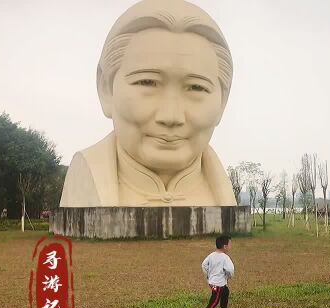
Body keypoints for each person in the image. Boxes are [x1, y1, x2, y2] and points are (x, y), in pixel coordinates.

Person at [59, 0, 236, 207]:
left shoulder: (221, 193)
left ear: (223, 101)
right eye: (147, 83)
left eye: (196, 87)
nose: (171, 116)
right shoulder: (86, 177)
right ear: (106, 88)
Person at [199, 234, 235, 308]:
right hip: (218, 284)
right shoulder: (225, 257)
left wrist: (208, 275)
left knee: (225, 291)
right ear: (225, 246)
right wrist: (229, 276)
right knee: (214, 301)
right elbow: (230, 269)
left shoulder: (211, 255)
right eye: (230, 244)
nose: (231, 246)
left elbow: (204, 265)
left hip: (212, 283)